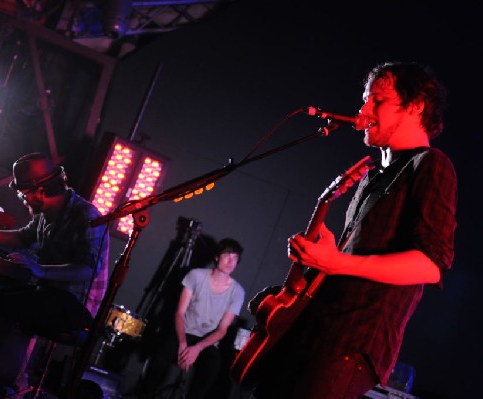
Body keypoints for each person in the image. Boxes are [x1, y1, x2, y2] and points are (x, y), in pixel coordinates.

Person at [247, 61, 458, 399]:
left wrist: (338, 263)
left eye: (378, 100)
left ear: (415, 106)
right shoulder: (370, 176)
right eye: (365, 99)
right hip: (315, 334)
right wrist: (319, 260)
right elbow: (345, 264)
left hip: (349, 345)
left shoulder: (430, 164)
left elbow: (430, 265)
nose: (363, 109)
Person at [0, 153, 110, 390]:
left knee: (8, 306)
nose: (24, 199)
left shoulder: (86, 216)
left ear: (40, 190)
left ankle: (3, 382)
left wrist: (40, 270)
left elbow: (88, 269)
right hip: (50, 296)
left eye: (24, 194)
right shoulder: (47, 215)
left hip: (77, 309)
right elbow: (22, 237)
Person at [137, 237, 246, 399]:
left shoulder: (237, 291)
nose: (231, 261)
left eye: (235, 258)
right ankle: (145, 394)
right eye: (227, 255)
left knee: (213, 366)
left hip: (207, 340)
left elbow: (222, 329)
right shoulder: (196, 276)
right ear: (217, 257)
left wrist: (197, 348)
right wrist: (182, 344)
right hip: (184, 332)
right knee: (161, 356)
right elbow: (180, 313)